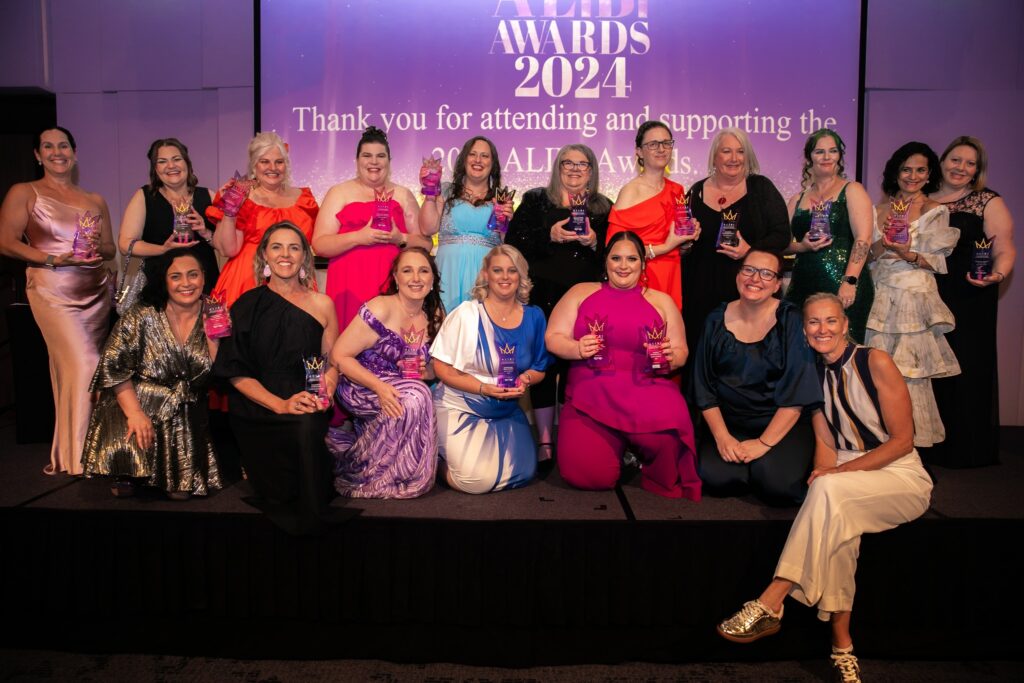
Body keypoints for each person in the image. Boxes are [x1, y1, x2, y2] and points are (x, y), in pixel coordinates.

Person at [716, 293, 933, 683]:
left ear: (846, 324)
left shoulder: (875, 361)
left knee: (829, 491)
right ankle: (842, 648)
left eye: (831, 320)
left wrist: (835, 476)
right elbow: (826, 442)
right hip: (845, 475)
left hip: (898, 473)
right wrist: (824, 472)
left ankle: (773, 599)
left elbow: (902, 442)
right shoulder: (811, 375)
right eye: (813, 322)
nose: (822, 329)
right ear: (804, 330)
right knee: (837, 527)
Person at [545, 231, 701, 500]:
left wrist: (670, 356)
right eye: (616, 258)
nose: (623, 265)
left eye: (632, 258)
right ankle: (621, 450)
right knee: (587, 476)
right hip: (591, 396)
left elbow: (681, 352)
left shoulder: (661, 301)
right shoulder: (580, 292)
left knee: (670, 457)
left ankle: (633, 449)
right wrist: (577, 348)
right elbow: (553, 337)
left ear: (643, 263)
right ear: (605, 261)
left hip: (647, 392)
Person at [0, 126, 115, 475]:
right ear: (38, 155)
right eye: (48, 147)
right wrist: (51, 258)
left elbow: (110, 248)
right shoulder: (25, 192)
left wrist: (95, 249)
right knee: (85, 363)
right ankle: (82, 457)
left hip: (95, 292)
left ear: (75, 153)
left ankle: (78, 450)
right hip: (53, 290)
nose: (57, 152)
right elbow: (6, 241)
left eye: (63, 146)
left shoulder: (95, 199)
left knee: (82, 370)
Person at [212, 222, 340, 533]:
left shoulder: (323, 304)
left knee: (307, 425)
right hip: (258, 405)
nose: (285, 254)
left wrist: (327, 390)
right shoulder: (245, 305)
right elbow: (234, 372)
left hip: (306, 396)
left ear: (304, 257)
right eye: (277, 247)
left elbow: (331, 362)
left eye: (294, 248)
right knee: (282, 485)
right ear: (264, 256)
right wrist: (280, 405)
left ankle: (311, 517)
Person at [82, 248, 221, 498]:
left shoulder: (216, 312)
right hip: (136, 400)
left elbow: (216, 373)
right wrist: (135, 414)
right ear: (164, 281)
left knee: (180, 495)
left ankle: (164, 474)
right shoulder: (141, 314)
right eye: (176, 276)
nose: (186, 283)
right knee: (125, 489)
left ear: (203, 277)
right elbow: (114, 368)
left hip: (184, 410)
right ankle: (127, 467)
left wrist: (215, 337)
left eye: (193, 275)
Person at [505, 143, 612, 464]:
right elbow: (513, 243)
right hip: (543, 296)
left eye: (582, 164)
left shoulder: (605, 208)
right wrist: (548, 235)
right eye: (568, 163)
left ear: (591, 171)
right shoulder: (536, 200)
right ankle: (545, 441)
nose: (575, 169)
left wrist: (595, 241)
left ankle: (568, 435)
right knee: (543, 365)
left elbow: (617, 256)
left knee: (575, 366)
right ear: (558, 167)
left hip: (585, 300)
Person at [692, 250, 821, 505]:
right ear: (738, 275)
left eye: (766, 274)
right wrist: (722, 437)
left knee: (777, 486)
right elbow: (703, 386)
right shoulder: (715, 319)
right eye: (749, 270)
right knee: (716, 479)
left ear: (777, 284)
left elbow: (798, 391)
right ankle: (748, 467)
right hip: (731, 423)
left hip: (781, 423)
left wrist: (763, 443)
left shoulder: (791, 320)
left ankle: (764, 465)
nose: (755, 279)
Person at [431, 245, 552, 493]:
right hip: (460, 406)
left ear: (521, 275)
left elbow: (540, 368)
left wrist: (525, 379)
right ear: (486, 274)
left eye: (512, 270)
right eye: (497, 270)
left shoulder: (535, 316)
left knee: (524, 473)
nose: (505, 277)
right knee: (475, 482)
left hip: (506, 411)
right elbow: (440, 367)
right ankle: (431, 463)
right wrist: (483, 388)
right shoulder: (466, 314)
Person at [927, 136, 1016, 467]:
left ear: (978, 170)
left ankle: (966, 449)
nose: (961, 168)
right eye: (955, 160)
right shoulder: (922, 198)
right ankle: (929, 446)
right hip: (928, 293)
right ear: (942, 161)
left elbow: (1004, 246)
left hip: (969, 295)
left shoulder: (987, 201)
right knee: (929, 367)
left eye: (970, 163)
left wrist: (998, 274)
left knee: (966, 368)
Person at [866, 142, 960, 448]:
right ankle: (877, 444)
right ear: (895, 172)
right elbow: (867, 256)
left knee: (911, 374)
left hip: (914, 300)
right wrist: (885, 244)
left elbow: (939, 262)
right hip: (879, 296)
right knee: (875, 372)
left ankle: (911, 447)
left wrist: (908, 254)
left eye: (920, 170)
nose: (913, 176)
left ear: (929, 174)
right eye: (906, 169)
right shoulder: (878, 210)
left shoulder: (935, 211)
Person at [328, 248, 443, 498]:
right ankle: (371, 475)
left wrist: (426, 372)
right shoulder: (381, 307)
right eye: (407, 271)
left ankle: (407, 475)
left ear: (433, 279)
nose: (416, 278)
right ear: (396, 277)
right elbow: (339, 356)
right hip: (361, 384)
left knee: (417, 393)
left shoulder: (434, 315)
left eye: (424, 271)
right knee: (416, 396)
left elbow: (436, 368)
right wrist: (379, 387)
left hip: (403, 386)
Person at [684, 127, 790, 359]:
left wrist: (749, 252)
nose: (734, 158)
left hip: (747, 292)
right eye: (726, 151)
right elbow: (684, 241)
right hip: (699, 293)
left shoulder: (761, 188)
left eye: (740, 151)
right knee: (701, 357)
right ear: (714, 157)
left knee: (744, 360)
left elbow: (782, 235)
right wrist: (684, 245)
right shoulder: (695, 192)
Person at [313, 126, 432, 330]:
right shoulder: (338, 193)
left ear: (389, 161)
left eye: (380, 156)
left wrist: (400, 238)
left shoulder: (403, 194)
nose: (374, 161)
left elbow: (426, 244)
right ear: (357, 160)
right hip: (348, 284)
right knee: (348, 341)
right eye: (367, 155)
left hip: (390, 285)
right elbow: (319, 244)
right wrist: (358, 237)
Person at [207, 131, 318, 308]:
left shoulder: (304, 199)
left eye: (279, 162)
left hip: (295, 280)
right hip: (248, 281)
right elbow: (228, 249)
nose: (272, 167)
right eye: (264, 161)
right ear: (254, 166)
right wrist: (230, 209)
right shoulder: (241, 196)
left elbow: (315, 244)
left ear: (286, 165)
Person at [785, 129, 874, 343]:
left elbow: (863, 239)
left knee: (843, 349)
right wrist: (802, 247)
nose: (826, 157)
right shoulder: (797, 199)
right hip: (802, 285)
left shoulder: (852, 190)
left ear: (839, 156)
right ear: (809, 157)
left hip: (843, 284)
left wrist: (850, 281)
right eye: (819, 152)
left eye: (832, 151)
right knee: (799, 347)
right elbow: (781, 244)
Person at [607, 121, 699, 309]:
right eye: (653, 144)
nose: (661, 149)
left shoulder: (677, 190)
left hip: (671, 273)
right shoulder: (630, 191)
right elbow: (613, 249)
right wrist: (667, 246)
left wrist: (686, 240)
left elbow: (677, 244)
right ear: (639, 151)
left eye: (666, 143)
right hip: (640, 279)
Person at [419, 136, 511, 314]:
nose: (478, 160)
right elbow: (427, 228)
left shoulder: (501, 199)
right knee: (444, 323)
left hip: (484, 275)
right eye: (473, 154)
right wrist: (430, 193)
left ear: (493, 164)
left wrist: (506, 221)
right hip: (448, 271)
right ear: (464, 159)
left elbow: (506, 243)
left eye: (485, 156)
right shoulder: (446, 190)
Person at [118, 138, 219, 292]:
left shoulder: (209, 196)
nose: (171, 166)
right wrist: (163, 249)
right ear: (155, 169)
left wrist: (205, 232)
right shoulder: (144, 197)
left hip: (204, 286)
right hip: (160, 287)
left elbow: (226, 247)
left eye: (177, 159)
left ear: (187, 163)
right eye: (162, 161)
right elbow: (125, 245)